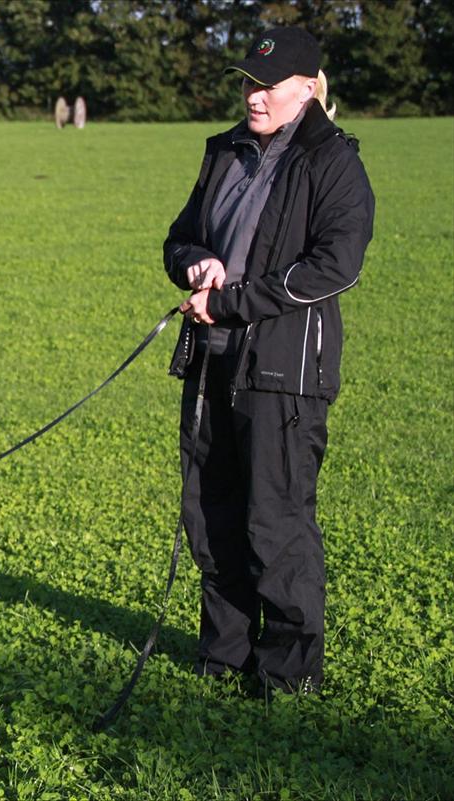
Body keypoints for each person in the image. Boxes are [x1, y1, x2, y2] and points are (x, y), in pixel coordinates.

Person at [162, 26, 375, 696]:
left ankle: (288, 674)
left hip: (284, 373)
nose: (253, 98)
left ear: (308, 89)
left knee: (275, 521)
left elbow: (335, 267)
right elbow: (180, 237)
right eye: (248, 84)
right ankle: (223, 655)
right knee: (212, 512)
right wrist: (195, 261)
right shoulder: (224, 151)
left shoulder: (333, 160)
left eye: (268, 86)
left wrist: (233, 302)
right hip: (211, 361)